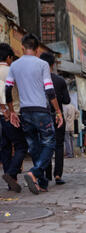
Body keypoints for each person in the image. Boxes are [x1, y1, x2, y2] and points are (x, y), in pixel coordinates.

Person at [5, 33, 63, 194]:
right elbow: (49, 90)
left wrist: (11, 112)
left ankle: (41, 182)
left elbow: (8, 89)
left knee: (34, 146)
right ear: (37, 50)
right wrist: (58, 111)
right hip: (41, 111)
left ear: (23, 47)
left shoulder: (15, 65)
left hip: (25, 112)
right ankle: (35, 172)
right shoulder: (42, 64)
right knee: (49, 143)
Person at [0, 43, 27, 193]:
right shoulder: (11, 71)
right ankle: (11, 174)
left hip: (2, 115)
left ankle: (12, 181)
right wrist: (6, 110)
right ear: (9, 57)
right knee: (21, 146)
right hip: (13, 113)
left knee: (5, 147)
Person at [40, 52, 70, 185]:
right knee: (58, 146)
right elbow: (67, 100)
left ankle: (46, 174)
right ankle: (58, 175)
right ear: (53, 65)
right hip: (58, 117)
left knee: (44, 145)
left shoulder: (37, 81)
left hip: (42, 117)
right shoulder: (60, 80)